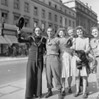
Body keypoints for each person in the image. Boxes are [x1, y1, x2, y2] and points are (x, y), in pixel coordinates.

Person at [17, 27, 46, 99]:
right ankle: (29, 95)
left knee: (38, 77)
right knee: (30, 77)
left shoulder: (44, 39)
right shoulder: (30, 39)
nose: (38, 31)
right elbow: (20, 40)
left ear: (41, 31)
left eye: (39, 30)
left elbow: (47, 49)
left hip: (40, 60)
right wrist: (18, 33)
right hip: (31, 59)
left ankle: (38, 94)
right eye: (36, 30)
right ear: (34, 31)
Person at [71, 26, 90, 98]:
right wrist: (76, 56)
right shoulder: (74, 39)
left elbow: (87, 48)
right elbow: (73, 49)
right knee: (77, 76)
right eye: (78, 32)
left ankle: (84, 92)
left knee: (84, 76)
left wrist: (82, 54)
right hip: (76, 59)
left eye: (80, 31)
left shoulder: (86, 39)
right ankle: (77, 91)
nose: (79, 33)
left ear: (83, 31)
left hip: (83, 58)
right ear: (76, 33)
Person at [45, 27, 62, 98]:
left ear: (54, 32)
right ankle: (49, 91)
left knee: (56, 75)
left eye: (51, 31)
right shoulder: (45, 40)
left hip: (55, 57)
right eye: (48, 31)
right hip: (47, 58)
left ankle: (59, 91)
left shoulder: (57, 39)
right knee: (48, 76)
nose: (49, 32)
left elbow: (62, 48)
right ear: (46, 32)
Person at [55, 27, 73, 96]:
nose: (61, 33)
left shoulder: (68, 39)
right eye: (60, 32)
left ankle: (69, 86)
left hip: (68, 56)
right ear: (58, 33)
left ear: (64, 33)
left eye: (62, 32)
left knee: (69, 72)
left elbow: (72, 47)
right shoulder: (56, 40)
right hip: (61, 57)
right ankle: (63, 88)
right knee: (62, 73)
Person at [90, 27, 99, 91]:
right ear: (91, 33)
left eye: (96, 31)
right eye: (93, 32)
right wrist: (92, 57)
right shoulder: (91, 41)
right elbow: (90, 52)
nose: (95, 33)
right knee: (98, 77)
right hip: (96, 60)